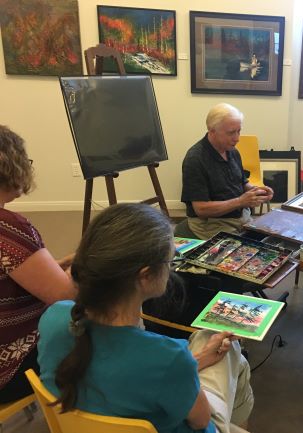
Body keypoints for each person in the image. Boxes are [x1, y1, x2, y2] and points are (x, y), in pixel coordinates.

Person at [37, 203, 254, 433]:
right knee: (228, 350)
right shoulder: (170, 357)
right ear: (146, 275)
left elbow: (132, 371)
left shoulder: (54, 317)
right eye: (170, 260)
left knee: (214, 348)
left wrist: (195, 362)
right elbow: (201, 422)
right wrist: (188, 366)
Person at [0, 125, 76, 404]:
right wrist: (86, 265)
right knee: (95, 317)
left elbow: (13, 277)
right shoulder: (10, 229)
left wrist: (62, 263)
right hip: (10, 368)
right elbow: (65, 296)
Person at [181, 103, 273, 240]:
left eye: (238, 131)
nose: (237, 138)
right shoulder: (195, 159)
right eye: (231, 132)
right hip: (212, 224)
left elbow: (242, 183)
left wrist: (257, 191)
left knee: (273, 239)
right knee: (246, 256)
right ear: (212, 131)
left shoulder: (232, 151)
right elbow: (201, 209)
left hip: (240, 217)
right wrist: (240, 202)